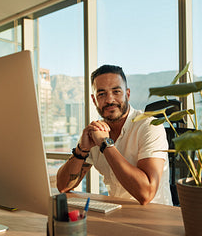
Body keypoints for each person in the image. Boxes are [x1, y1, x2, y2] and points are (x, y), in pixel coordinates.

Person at [56, 64, 172, 205]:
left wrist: (105, 144)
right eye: (102, 94)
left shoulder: (149, 126)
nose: (110, 100)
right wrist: (82, 150)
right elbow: (63, 186)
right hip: (116, 213)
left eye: (116, 92)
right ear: (94, 100)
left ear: (127, 94)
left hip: (154, 219)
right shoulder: (96, 132)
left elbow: (146, 194)